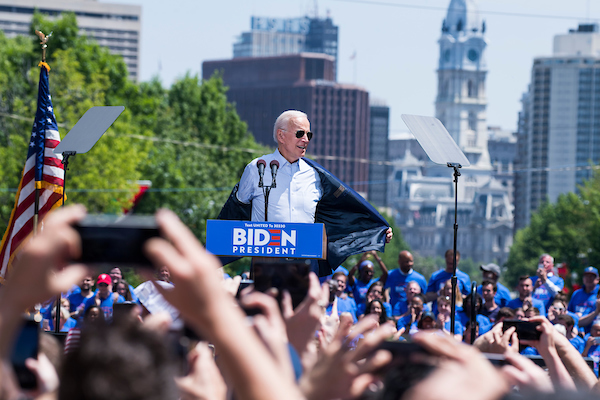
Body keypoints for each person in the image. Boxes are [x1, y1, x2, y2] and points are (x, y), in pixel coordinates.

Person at [218, 110, 392, 276]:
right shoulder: (257, 168)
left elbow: (346, 211)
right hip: (266, 261)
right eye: (300, 134)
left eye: (309, 135)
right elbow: (236, 210)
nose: (306, 140)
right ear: (281, 136)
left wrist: (377, 230)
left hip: (305, 264)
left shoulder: (316, 175)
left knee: (304, 308)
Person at [384, 250, 427, 317]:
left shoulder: (420, 279)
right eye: (406, 262)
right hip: (396, 313)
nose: (409, 264)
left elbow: (424, 297)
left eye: (411, 261)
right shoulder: (391, 275)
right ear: (399, 262)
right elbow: (381, 287)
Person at [568, 266, 600, 333]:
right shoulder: (576, 293)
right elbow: (569, 312)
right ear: (583, 279)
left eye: (592, 276)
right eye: (586, 276)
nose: (589, 279)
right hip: (575, 330)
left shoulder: (598, 293)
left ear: (598, 279)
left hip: (594, 331)